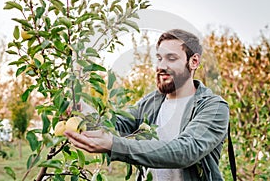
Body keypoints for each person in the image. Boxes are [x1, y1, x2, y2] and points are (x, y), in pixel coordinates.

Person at [64, 29, 230, 181]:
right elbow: (118, 125)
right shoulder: (152, 101)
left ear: (193, 62)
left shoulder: (213, 107)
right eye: (159, 58)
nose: (161, 66)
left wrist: (114, 145)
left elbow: (186, 151)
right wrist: (83, 110)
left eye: (171, 58)